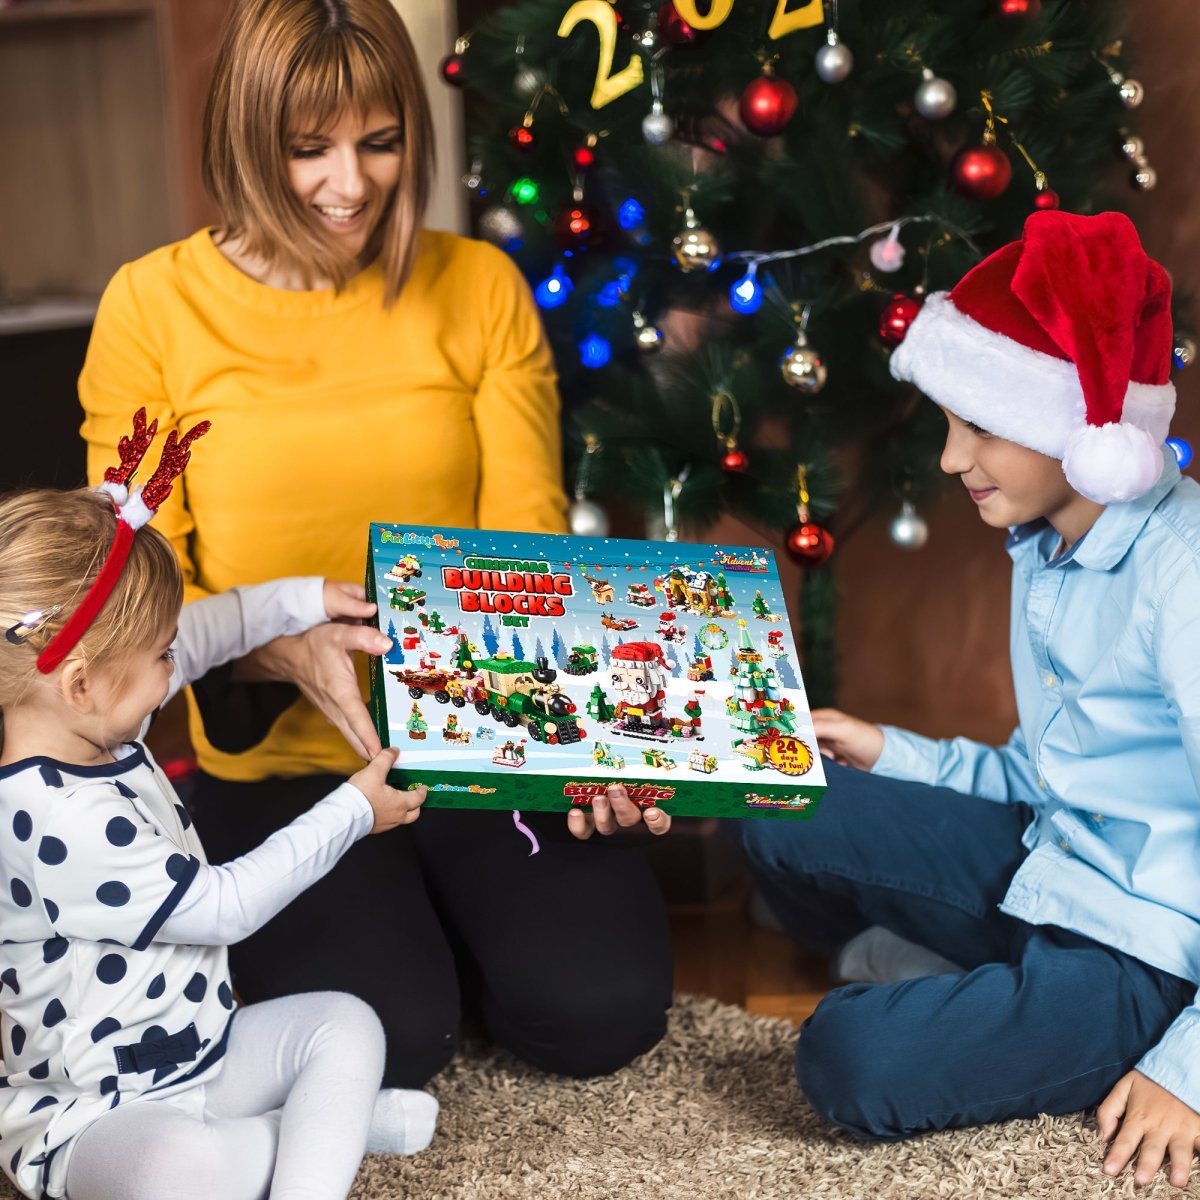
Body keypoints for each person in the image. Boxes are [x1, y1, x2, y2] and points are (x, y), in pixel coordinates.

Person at [78, 0, 672, 1094]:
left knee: (601, 1017)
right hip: (281, 769)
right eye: (308, 150)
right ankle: (422, 950)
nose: (348, 186)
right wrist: (276, 651)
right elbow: (138, 595)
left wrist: (594, 744)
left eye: (380, 142)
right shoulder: (151, 308)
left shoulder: (479, 289)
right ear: (247, 142)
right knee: (393, 1044)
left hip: (481, 747)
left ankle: (456, 929)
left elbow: (532, 554)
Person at [740, 210, 1200, 1190]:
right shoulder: (1048, 543)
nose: (951, 460)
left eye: (978, 425)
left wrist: (1189, 1070)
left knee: (848, 1058)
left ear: (1078, 425)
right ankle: (1000, 997)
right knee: (782, 795)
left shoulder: (1186, 575)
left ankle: (1060, 1020)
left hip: (1151, 952)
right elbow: (1046, 773)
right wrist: (893, 752)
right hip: (1052, 860)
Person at [0, 437, 436, 1200]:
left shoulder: (100, 720)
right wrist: (352, 812)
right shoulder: (51, 820)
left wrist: (306, 598)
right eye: (159, 657)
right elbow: (226, 907)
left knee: (347, 1022)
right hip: (96, 1115)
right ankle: (325, 1130)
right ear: (82, 683)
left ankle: (310, 1142)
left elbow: (205, 634)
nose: (178, 663)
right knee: (182, 1173)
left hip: (206, 1055)